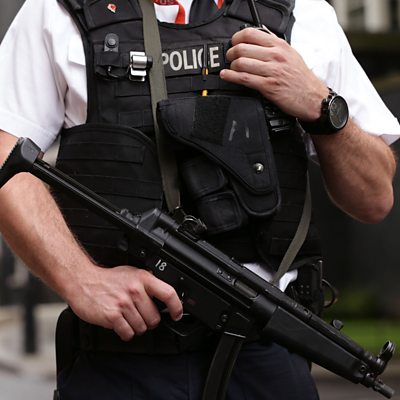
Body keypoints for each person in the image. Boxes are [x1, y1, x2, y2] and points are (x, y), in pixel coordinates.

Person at [0, 0, 399, 399]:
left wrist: (321, 105)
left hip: (266, 347)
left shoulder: (303, 14)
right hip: (122, 352)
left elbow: (373, 198)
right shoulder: (57, 11)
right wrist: (81, 279)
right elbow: (6, 156)